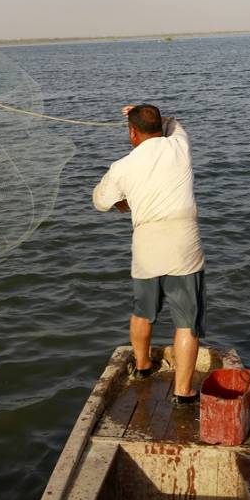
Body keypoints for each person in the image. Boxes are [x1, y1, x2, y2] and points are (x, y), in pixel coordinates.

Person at [92, 103, 206, 405]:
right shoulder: (180, 145)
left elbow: (100, 202)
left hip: (147, 249)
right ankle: (184, 392)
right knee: (187, 322)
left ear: (132, 132)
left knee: (143, 312)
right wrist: (155, 113)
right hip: (184, 247)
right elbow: (172, 123)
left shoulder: (123, 166)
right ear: (159, 126)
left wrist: (124, 205)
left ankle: (142, 367)